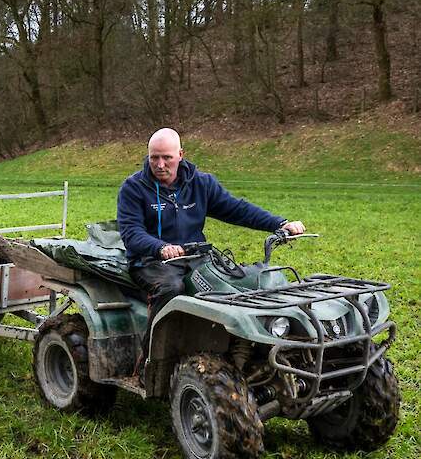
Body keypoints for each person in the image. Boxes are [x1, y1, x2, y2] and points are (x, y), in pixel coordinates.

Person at [117, 128, 305, 365]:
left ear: (181, 155)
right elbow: (131, 233)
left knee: (239, 285)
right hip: (150, 262)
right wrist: (160, 247)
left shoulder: (200, 183)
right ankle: (152, 359)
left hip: (196, 258)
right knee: (172, 288)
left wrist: (279, 223)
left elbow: (237, 209)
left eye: (167, 157)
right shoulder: (133, 188)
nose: (160, 164)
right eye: (154, 157)